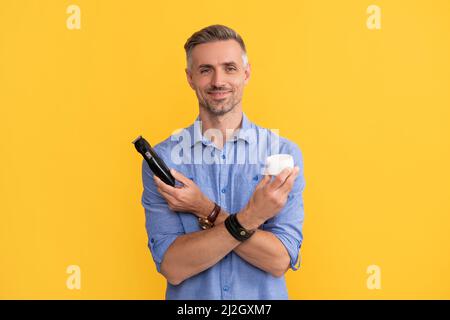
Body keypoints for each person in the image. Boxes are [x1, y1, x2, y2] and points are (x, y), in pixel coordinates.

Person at [141, 24, 305, 299]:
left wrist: (204, 208)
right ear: (190, 78)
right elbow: (173, 266)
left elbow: (278, 261)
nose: (218, 81)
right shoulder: (164, 160)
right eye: (206, 70)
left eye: (229, 68)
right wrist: (252, 217)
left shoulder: (282, 153)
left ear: (246, 73)